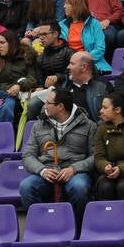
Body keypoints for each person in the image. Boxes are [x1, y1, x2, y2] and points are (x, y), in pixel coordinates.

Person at [20, 88, 96, 216]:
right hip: (47, 171)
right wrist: (42, 170)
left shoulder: (89, 125)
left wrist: (74, 168)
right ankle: (43, 227)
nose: (44, 106)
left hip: (75, 173)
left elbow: (95, 156)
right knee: (26, 186)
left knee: (80, 187)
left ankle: (76, 229)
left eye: (48, 103)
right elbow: (28, 155)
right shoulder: (38, 125)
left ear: (60, 106)